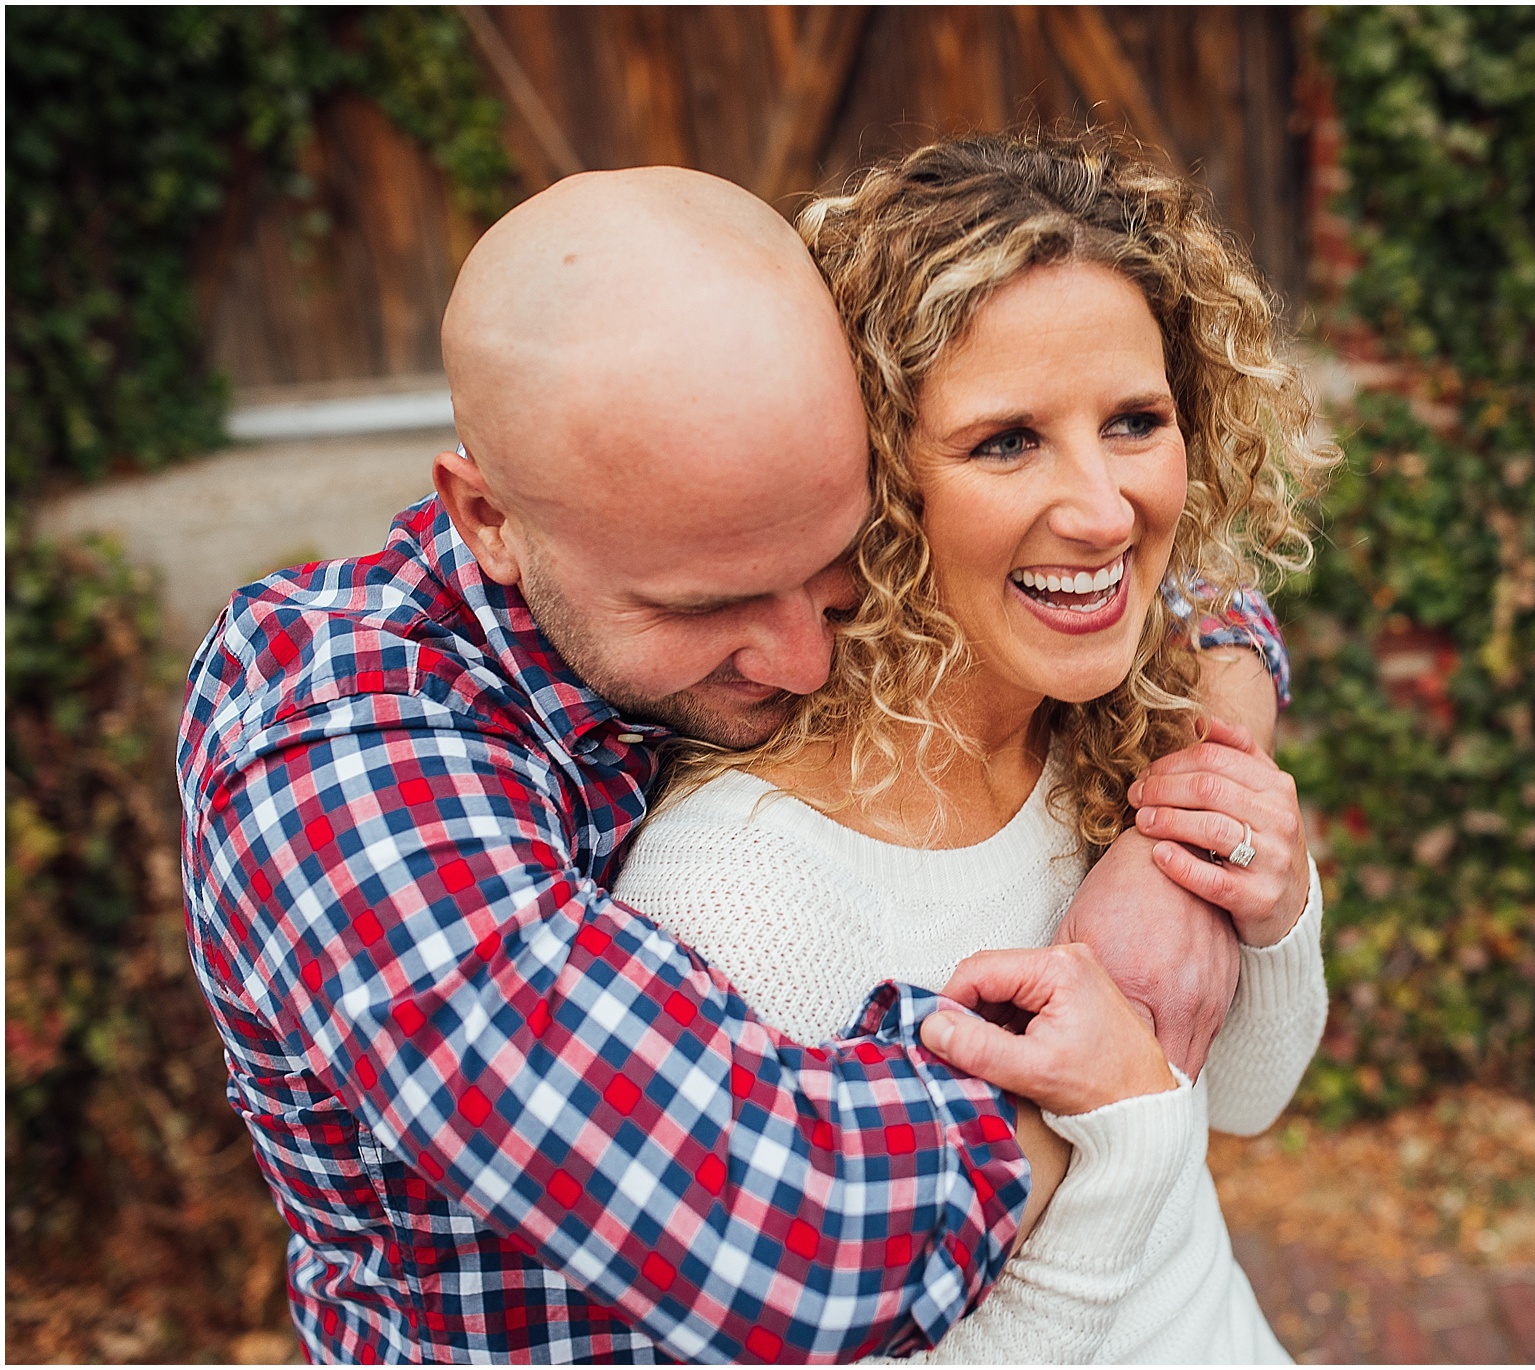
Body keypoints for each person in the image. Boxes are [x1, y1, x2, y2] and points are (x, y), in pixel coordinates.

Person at [175, 164, 1287, 1362]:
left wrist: (1181, 809)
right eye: (714, 604)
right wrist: (1104, 1058)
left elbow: (1173, 583)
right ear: (487, 519)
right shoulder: (334, 754)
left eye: (833, 565)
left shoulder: (694, 510)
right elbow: (792, 1242)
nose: (811, 655)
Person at [613, 131, 1336, 1362]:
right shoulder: (742, 894)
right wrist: (1119, 1136)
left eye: (1133, 420)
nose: (1104, 509)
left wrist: (1268, 904)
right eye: (1005, 440)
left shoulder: (1120, 715)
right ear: (877, 478)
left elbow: (1250, 1097)